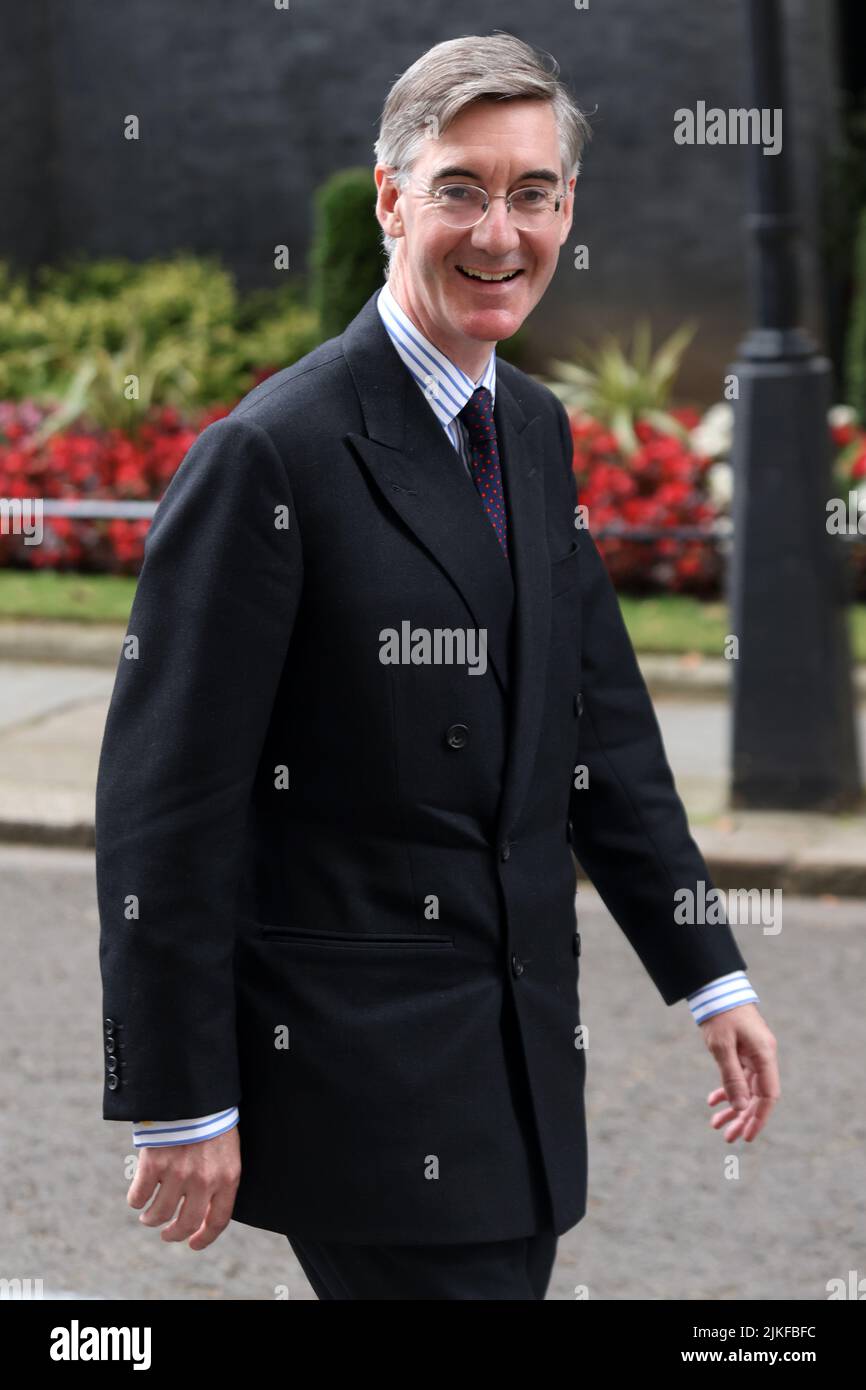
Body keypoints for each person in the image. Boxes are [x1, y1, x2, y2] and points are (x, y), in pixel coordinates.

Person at [96, 32, 779, 1301]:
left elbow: (602, 737)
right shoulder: (272, 456)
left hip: (513, 1074)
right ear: (388, 198)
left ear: (566, 210)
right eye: (460, 186)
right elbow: (163, 805)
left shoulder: (530, 428)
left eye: (531, 193)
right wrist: (180, 1099)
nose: (497, 230)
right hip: (363, 1082)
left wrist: (706, 967)